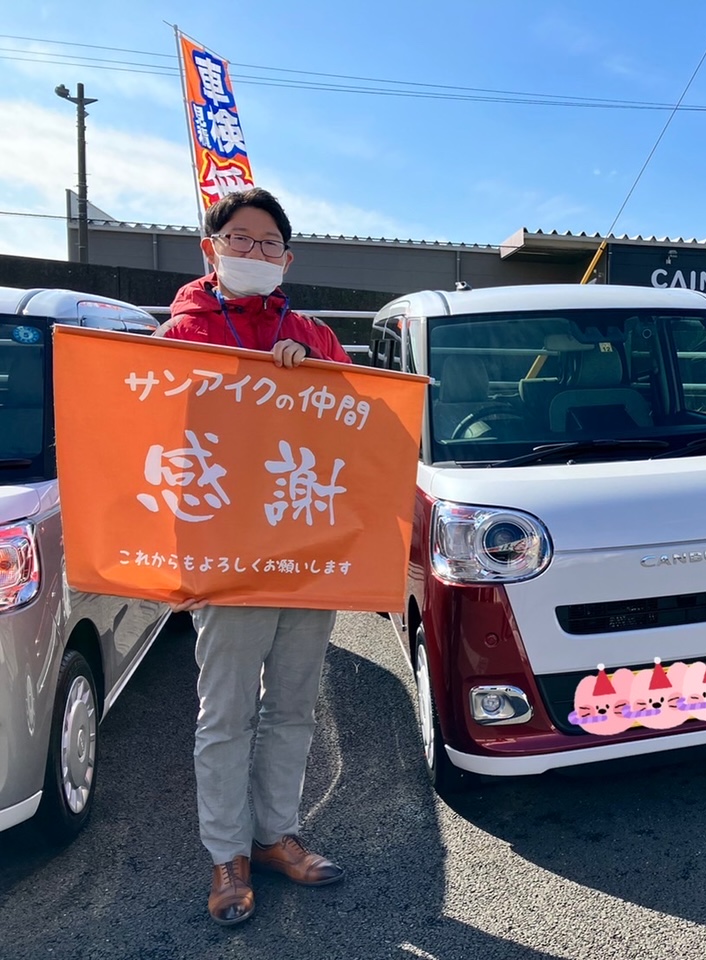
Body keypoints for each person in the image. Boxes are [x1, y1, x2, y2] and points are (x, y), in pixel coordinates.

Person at [161, 187, 351, 925]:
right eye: (240, 240)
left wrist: (316, 378)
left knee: (295, 704)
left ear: (288, 258)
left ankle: (276, 835)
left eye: (269, 244)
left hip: (307, 547)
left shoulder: (313, 333)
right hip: (226, 555)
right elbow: (159, 432)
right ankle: (226, 855)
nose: (254, 254)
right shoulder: (182, 333)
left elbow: (358, 425)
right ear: (210, 250)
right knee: (227, 710)